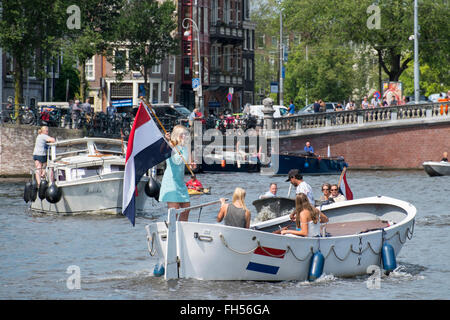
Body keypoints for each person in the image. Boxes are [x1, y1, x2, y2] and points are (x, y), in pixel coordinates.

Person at [159, 125, 193, 221]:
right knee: (175, 210)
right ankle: (172, 231)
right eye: (182, 134)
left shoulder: (184, 147)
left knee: (186, 209)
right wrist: (166, 140)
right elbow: (163, 151)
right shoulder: (171, 146)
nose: (185, 136)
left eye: (185, 134)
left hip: (180, 183)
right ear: (177, 135)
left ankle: (182, 231)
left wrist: (191, 165)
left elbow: (185, 162)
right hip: (171, 182)